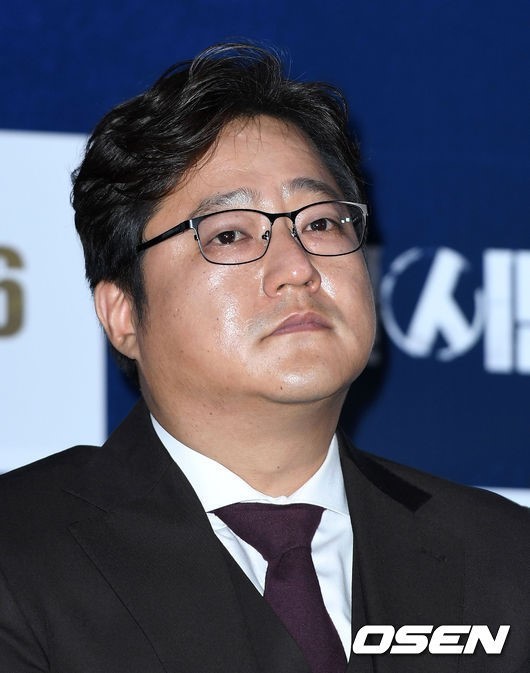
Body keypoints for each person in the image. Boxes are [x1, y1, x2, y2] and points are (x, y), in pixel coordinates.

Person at [0, 43, 528, 673]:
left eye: (322, 224)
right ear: (123, 313)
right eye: (231, 234)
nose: (297, 268)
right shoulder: (20, 552)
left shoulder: (506, 559)